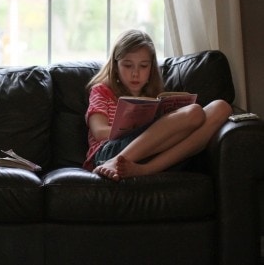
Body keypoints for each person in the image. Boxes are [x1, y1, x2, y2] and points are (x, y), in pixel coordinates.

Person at [84, 29, 232, 181]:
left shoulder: (154, 97)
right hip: (109, 152)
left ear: (151, 68)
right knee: (193, 112)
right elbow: (99, 131)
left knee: (221, 107)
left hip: (156, 154)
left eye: (143, 66)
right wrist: (144, 128)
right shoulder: (102, 91)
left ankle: (145, 170)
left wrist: (158, 126)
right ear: (115, 66)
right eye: (128, 65)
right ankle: (116, 162)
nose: (135, 73)